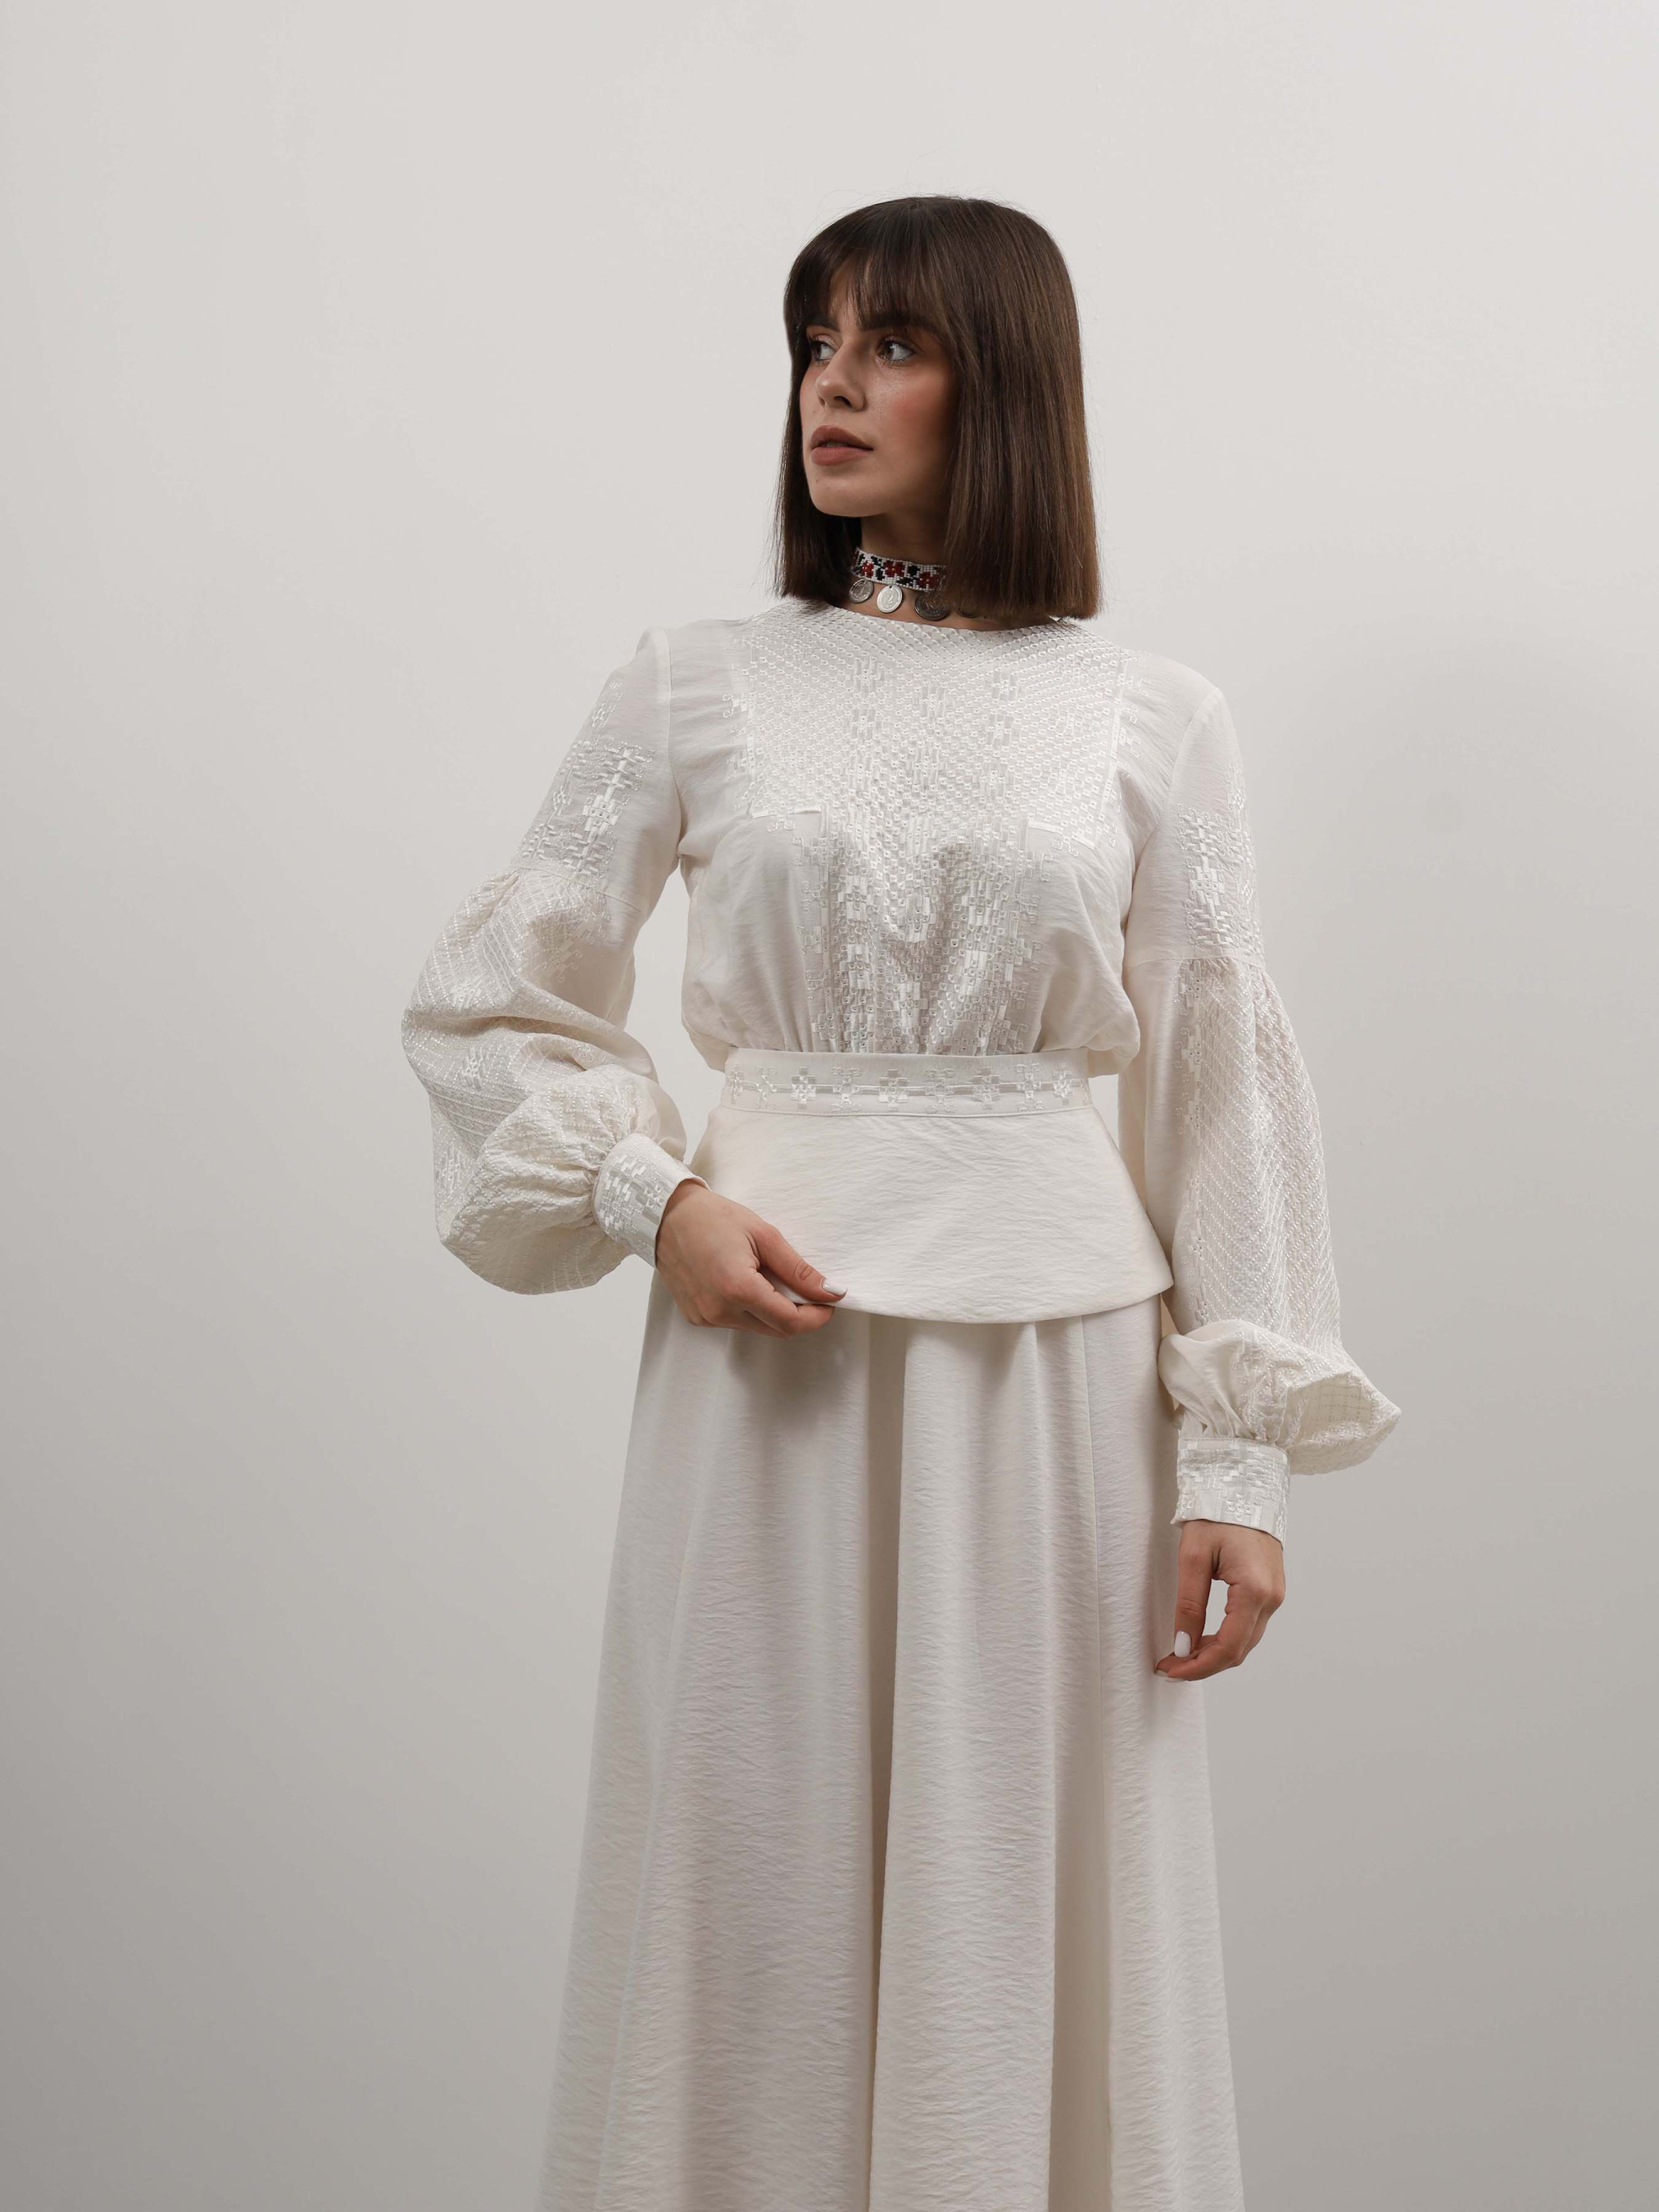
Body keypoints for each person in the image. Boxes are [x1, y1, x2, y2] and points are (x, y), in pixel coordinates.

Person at [400, 195, 1398, 2212]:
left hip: (1057, 1379)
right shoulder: (693, 683)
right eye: (813, 343)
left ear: (1002, 383)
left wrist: (1238, 1464)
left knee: (1017, 1866)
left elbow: (1218, 1077)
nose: (831, 389)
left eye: (891, 344)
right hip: (768, 1345)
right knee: (747, 1860)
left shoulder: (1149, 713)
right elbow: (491, 998)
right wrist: (649, 1194)